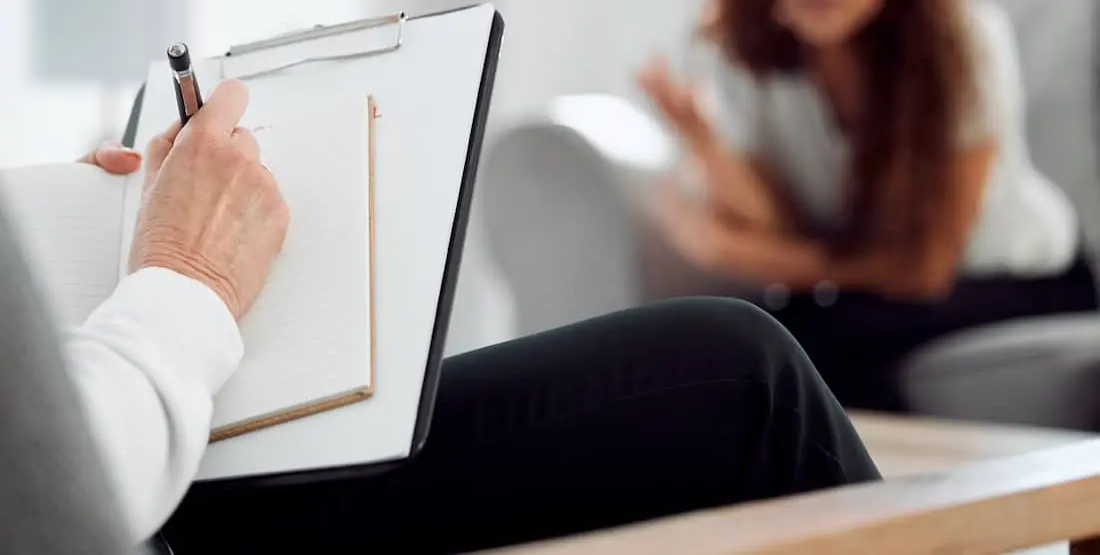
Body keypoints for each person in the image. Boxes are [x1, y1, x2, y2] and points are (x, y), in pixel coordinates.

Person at [47, 77, 878, 554]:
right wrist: (184, 270)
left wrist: (57, 243)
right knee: (739, 378)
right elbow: (45, 489)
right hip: (136, 517)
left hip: (136, 451)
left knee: (735, 369)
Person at [640, 0, 1098, 413]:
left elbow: (923, 267)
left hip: (1019, 279)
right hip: (875, 294)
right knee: (760, 333)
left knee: (808, 337)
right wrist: (702, 138)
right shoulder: (755, 59)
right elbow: (780, 217)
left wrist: (737, 253)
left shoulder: (968, 43)